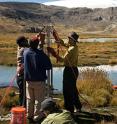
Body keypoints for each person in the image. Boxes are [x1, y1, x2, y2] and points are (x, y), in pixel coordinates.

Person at [47, 31, 82, 113]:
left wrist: (54, 53)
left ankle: (69, 109)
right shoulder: (73, 46)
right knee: (73, 89)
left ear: (73, 40)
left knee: (67, 91)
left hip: (70, 71)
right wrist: (60, 41)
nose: (68, 40)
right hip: (73, 70)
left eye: (69, 38)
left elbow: (63, 60)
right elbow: (67, 45)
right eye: (68, 38)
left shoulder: (72, 49)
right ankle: (78, 107)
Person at [23, 36, 52, 123]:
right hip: (39, 81)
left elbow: (33, 51)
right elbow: (49, 66)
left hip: (28, 81)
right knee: (39, 100)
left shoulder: (25, 52)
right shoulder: (41, 54)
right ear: (38, 44)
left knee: (30, 99)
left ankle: (29, 115)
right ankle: (37, 116)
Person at [16, 36, 28, 107]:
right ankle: (22, 109)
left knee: (22, 93)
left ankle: (23, 109)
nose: (27, 41)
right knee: (24, 95)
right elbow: (33, 49)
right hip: (22, 75)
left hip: (20, 75)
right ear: (23, 42)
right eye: (26, 40)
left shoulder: (20, 48)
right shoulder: (24, 50)